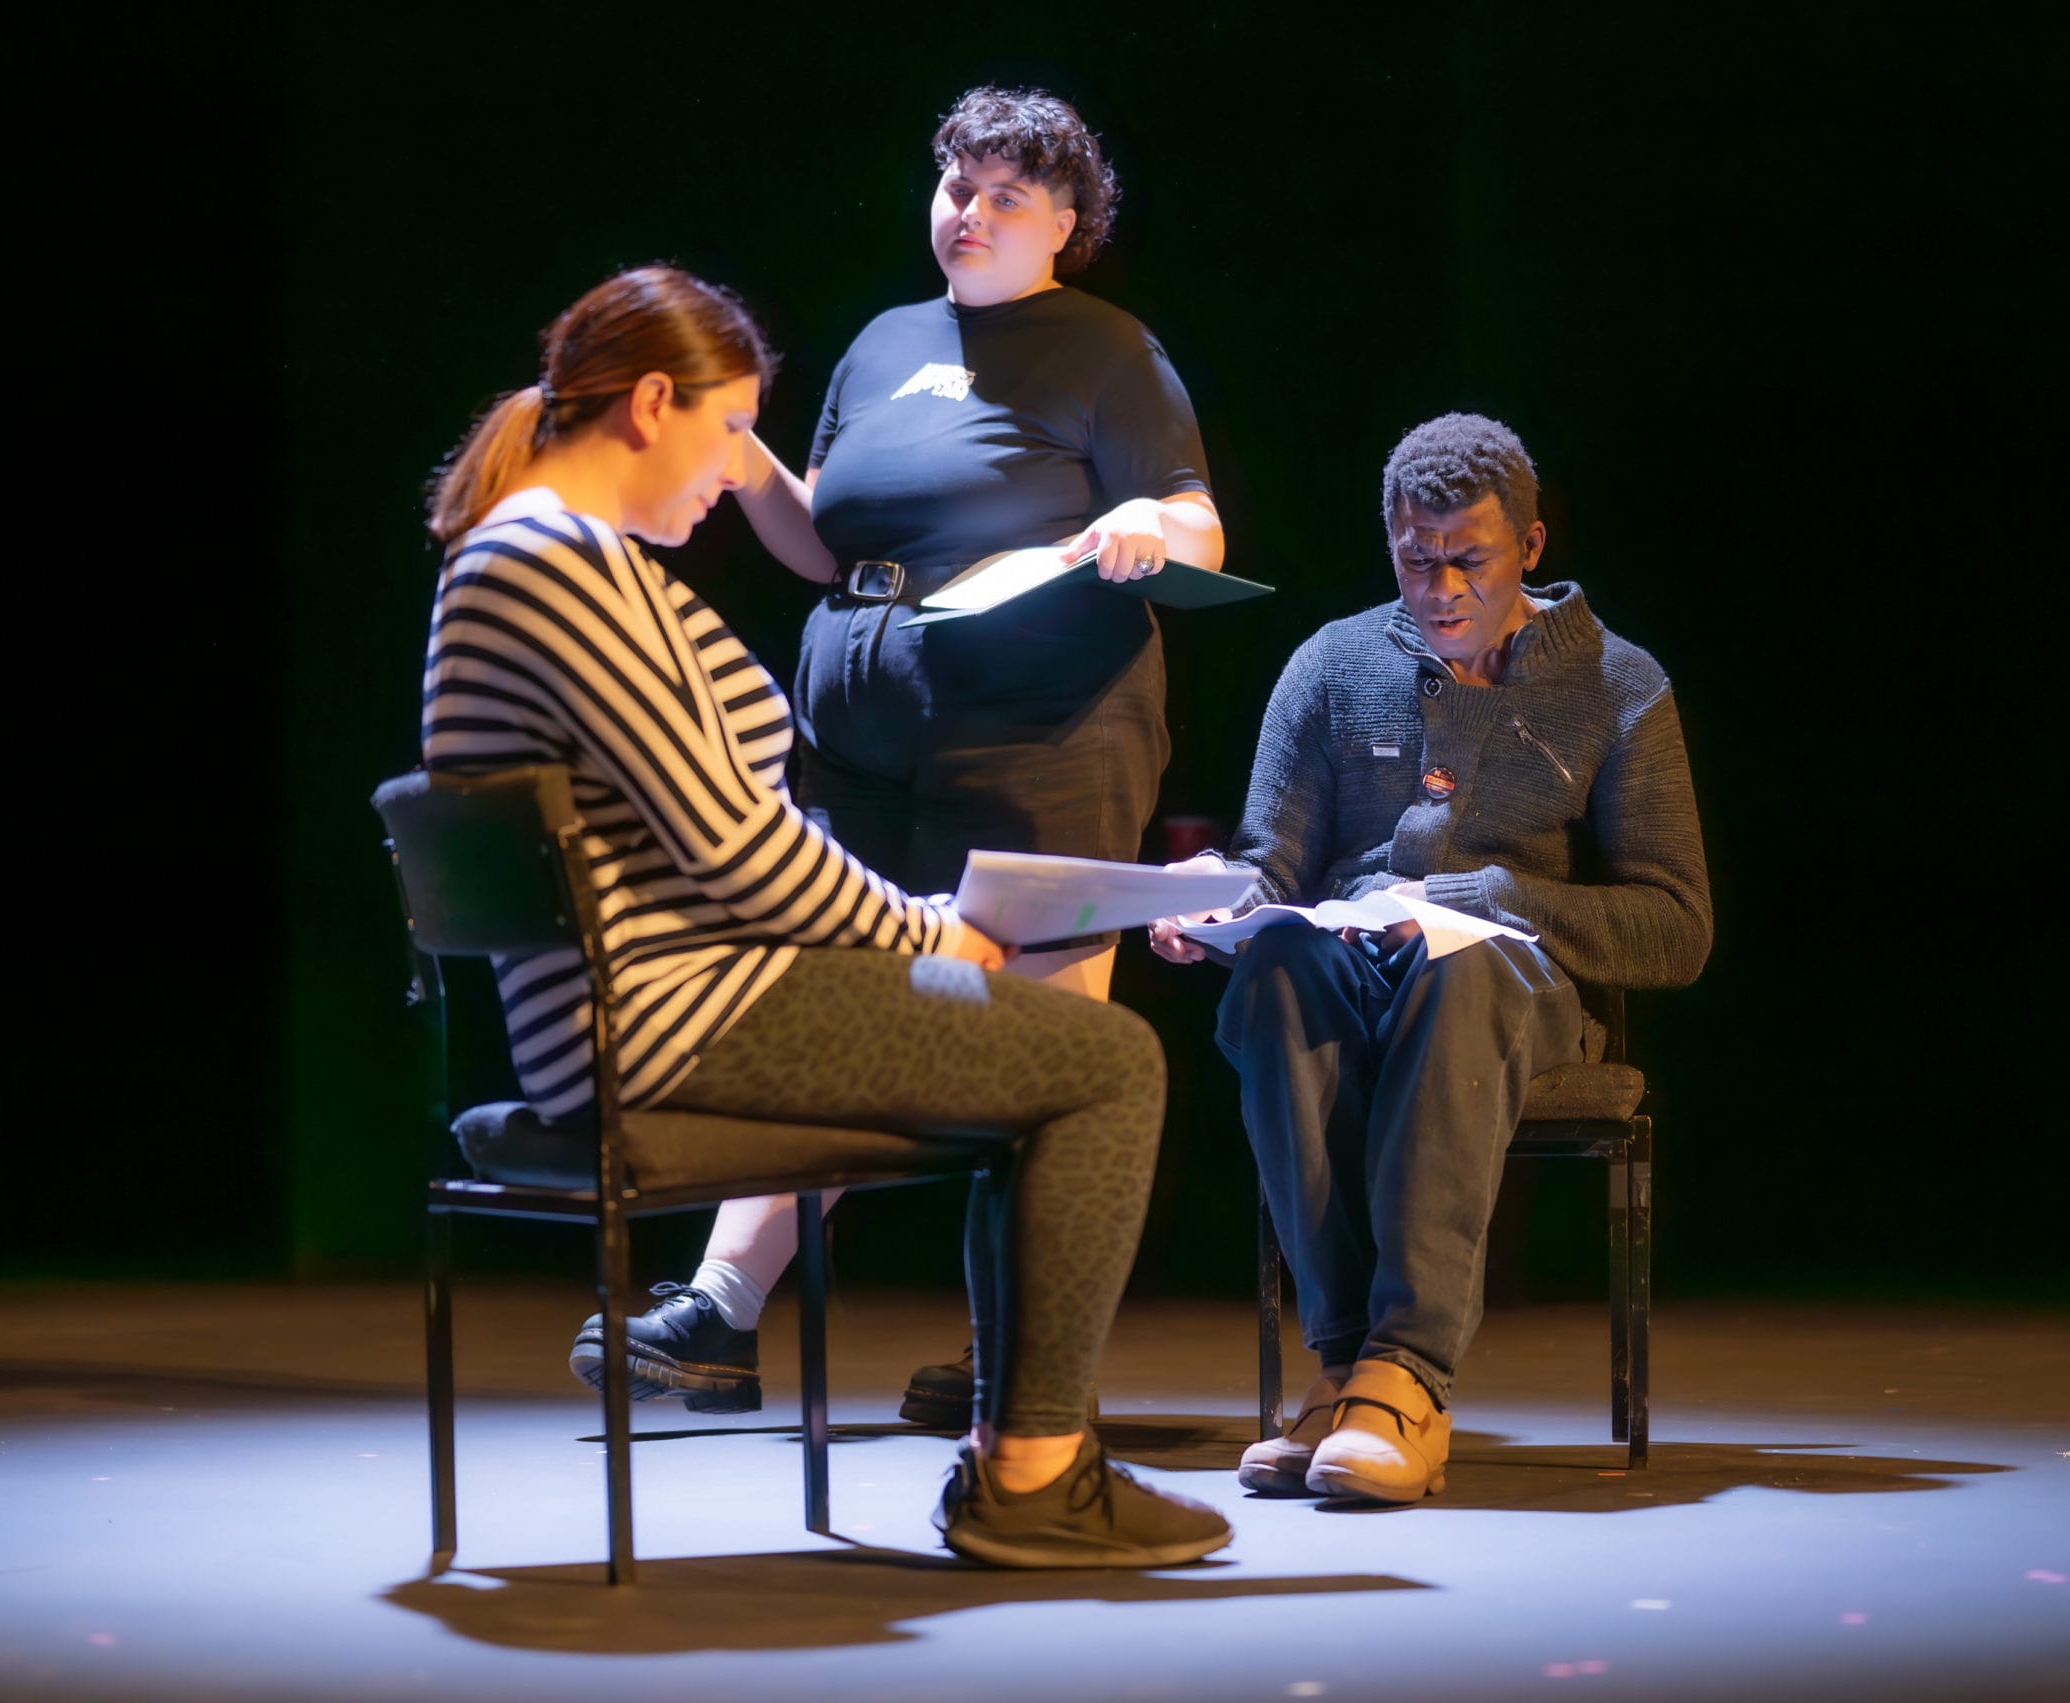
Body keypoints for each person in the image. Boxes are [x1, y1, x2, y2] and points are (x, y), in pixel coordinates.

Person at [421, 264, 1230, 1567]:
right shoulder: (556, 565)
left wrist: (925, 927)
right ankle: (1032, 1472)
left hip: (659, 999)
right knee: (1110, 1059)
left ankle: (1016, 1428)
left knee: (1046, 1043)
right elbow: (743, 854)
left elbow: (723, 844)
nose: (742, 468)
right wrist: (937, 935)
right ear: (649, 404)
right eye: (731, 428)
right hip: (668, 1018)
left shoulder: (534, 557)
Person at [590, 87, 1226, 1430]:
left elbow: (1196, 523)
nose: (970, 212)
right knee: (842, 1003)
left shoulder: (1106, 348)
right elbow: (825, 541)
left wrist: (1145, 532)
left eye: (1006, 194)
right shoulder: (884, 344)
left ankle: (1023, 1359)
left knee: (1039, 1034)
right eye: (955, 183)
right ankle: (718, 1312)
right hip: (864, 736)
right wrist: (732, 439)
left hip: (1044, 729)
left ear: (1068, 223)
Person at [1150, 413, 1713, 1505]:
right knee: (1273, 974)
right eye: (1416, 559)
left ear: (1531, 546)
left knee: (1459, 970)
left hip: (1520, 980)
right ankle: (1345, 1365)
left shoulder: (1617, 682)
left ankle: (1405, 1372)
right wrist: (1214, 903)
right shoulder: (1333, 663)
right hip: (1353, 959)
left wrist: (1483, 898)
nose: (1441, 585)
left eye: (1469, 559)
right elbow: (1274, 863)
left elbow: (1677, 922)